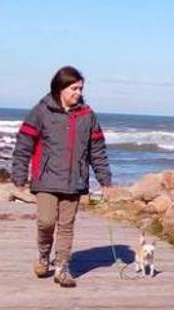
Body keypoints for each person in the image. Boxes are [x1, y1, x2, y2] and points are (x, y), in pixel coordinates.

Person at [11, 66, 112, 288]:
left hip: (75, 180)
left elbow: (97, 150)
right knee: (46, 222)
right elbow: (24, 144)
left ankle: (62, 268)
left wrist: (104, 178)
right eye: (73, 88)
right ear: (61, 88)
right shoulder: (41, 111)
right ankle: (43, 255)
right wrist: (18, 173)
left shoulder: (87, 115)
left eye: (80, 88)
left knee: (66, 225)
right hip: (46, 178)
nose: (78, 92)